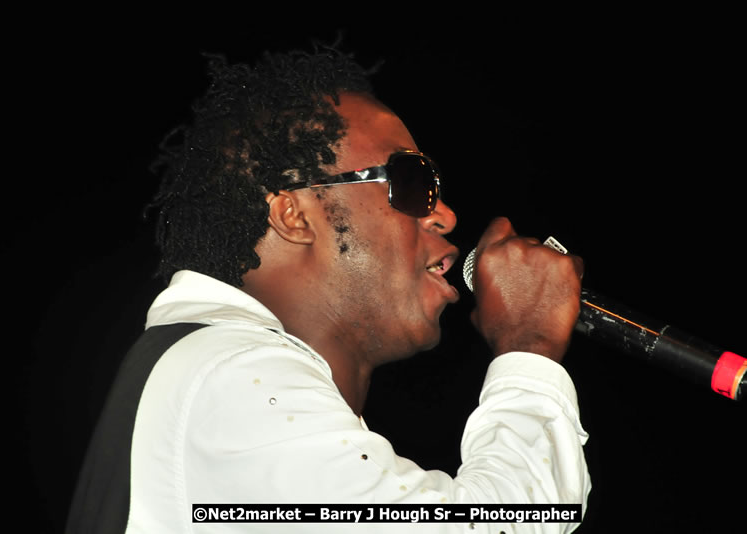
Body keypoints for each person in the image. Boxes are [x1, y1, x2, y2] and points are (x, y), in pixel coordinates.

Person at [66, 44, 590, 533]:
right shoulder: (231, 373)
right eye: (411, 182)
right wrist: (529, 344)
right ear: (293, 215)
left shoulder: (218, 377)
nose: (445, 215)